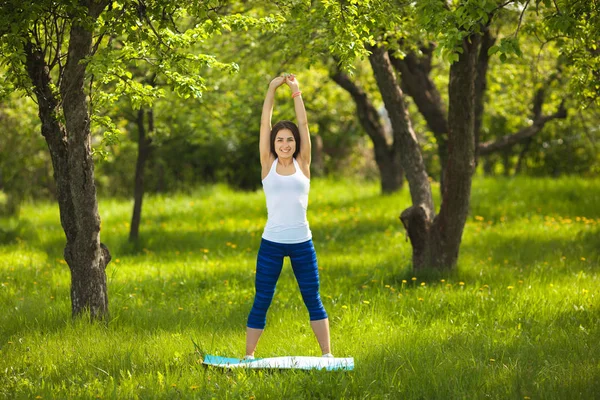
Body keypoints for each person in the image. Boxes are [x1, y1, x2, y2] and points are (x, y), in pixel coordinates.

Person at [245, 73, 332, 359]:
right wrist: (271, 89)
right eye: (280, 140)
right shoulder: (267, 163)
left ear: (296, 143)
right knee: (262, 300)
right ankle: (249, 357)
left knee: (313, 299)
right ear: (274, 143)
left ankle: (327, 355)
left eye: (290, 140)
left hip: (302, 243)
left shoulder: (303, 164)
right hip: (271, 244)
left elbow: (304, 123)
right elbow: (264, 123)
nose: (285, 144)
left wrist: (296, 93)